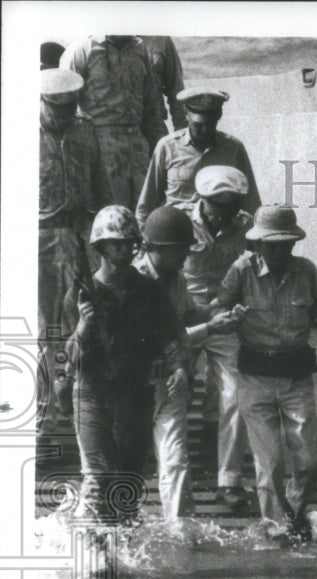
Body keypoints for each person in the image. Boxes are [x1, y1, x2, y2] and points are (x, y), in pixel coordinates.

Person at [213, 206, 317, 546]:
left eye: (285, 244)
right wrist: (230, 315)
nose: (279, 251)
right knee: (268, 465)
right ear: (258, 245)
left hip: (296, 377)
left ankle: (294, 510)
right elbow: (217, 308)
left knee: (311, 461)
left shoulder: (307, 272)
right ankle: (275, 530)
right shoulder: (241, 271)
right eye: (272, 245)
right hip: (255, 378)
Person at [62, 205, 184, 521]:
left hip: (135, 395)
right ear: (101, 246)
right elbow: (68, 359)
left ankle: (126, 551)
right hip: (92, 393)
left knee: (129, 480)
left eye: (130, 242)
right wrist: (83, 329)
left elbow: (170, 335)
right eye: (118, 243)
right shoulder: (78, 293)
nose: (126, 249)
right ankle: (91, 547)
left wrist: (179, 367)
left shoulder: (148, 289)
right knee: (99, 477)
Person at [134, 205, 243, 522]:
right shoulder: (135, 283)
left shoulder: (175, 278)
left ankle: (180, 533)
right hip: (130, 391)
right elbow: (164, 336)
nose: (186, 257)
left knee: (175, 459)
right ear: (160, 248)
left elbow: (186, 316)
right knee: (120, 468)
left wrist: (216, 314)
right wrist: (210, 329)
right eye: (181, 250)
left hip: (167, 383)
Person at [38, 68, 112, 436]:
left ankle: (65, 398)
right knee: (42, 330)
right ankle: (43, 417)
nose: (65, 116)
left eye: (70, 108)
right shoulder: (22, 129)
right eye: (57, 109)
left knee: (74, 326)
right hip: (38, 240)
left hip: (79, 238)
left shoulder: (85, 130)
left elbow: (102, 187)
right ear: (45, 103)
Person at [181, 166, 255, 510]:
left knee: (234, 394)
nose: (224, 215)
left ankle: (229, 481)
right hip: (183, 317)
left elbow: (256, 271)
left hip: (224, 319)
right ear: (203, 200)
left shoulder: (247, 226)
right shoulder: (178, 222)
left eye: (231, 207)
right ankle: (178, 475)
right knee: (175, 392)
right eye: (218, 207)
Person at [61, 35, 166, 208]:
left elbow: (151, 107)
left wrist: (160, 150)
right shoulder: (81, 50)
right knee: (111, 211)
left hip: (138, 145)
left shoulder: (139, 49)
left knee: (146, 208)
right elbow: (65, 107)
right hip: (100, 147)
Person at [135, 88, 261, 224]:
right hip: (178, 232)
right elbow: (147, 204)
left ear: (219, 115)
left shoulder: (234, 148)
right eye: (198, 125)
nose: (205, 130)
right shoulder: (167, 147)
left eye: (210, 124)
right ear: (186, 114)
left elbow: (251, 202)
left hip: (222, 230)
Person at [140, 35, 187, 132]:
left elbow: (176, 89)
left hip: (153, 123)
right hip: (116, 125)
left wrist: (182, 131)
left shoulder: (161, 39)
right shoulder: (106, 40)